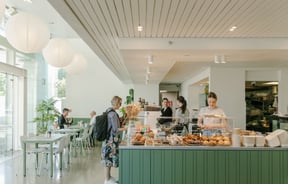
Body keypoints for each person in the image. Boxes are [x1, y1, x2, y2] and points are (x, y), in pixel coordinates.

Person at [101, 96, 126, 184]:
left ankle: (108, 178)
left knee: (108, 160)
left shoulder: (109, 111)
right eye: (120, 103)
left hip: (107, 140)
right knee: (108, 160)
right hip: (111, 141)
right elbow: (116, 129)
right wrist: (125, 129)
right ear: (116, 102)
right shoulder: (113, 114)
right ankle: (107, 180)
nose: (120, 105)